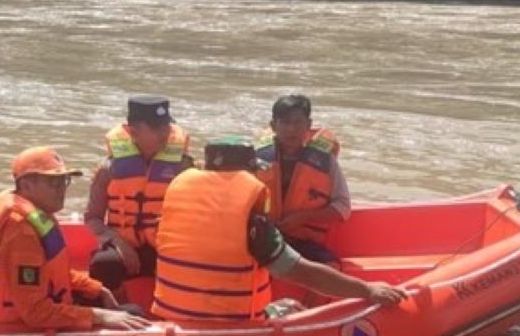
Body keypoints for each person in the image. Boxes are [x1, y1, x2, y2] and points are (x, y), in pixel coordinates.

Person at [151, 137, 405, 323]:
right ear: (245, 171)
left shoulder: (177, 204)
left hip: (174, 316)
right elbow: (303, 272)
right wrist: (367, 290)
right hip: (228, 325)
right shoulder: (251, 223)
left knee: (283, 305)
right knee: (292, 308)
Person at [0, 146, 150, 331]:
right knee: (133, 314)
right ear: (26, 186)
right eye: (52, 183)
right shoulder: (21, 232)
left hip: (43, 309)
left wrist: (95, 288)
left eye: (64, 181)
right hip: (14, 327)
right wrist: (99, 316)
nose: (61, 189)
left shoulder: (36, 212)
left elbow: (52, 272)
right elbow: (35, 313)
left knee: (128, 311)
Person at [85, 95, 195, 296]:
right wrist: (118, 243)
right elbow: (93, 217)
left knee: (195, 263)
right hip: (124, 244)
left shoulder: (184, 167)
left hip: (166, 246)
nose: (165, 133)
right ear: (132, 131)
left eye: (167, 126)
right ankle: (121, 310)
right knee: (102, 265)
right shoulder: (108, 169)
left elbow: (196, 216)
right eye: (155, 127)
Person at [255, 94, 351, 264]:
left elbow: (342, 208)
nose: (292, 129)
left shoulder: (326, 163)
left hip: (303, 242)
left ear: (308, 125)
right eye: (285, 122)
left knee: (331, 268)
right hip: (262, 237)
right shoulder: (255, 159)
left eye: (298, 122)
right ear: (273, 126)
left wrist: (304, 217)